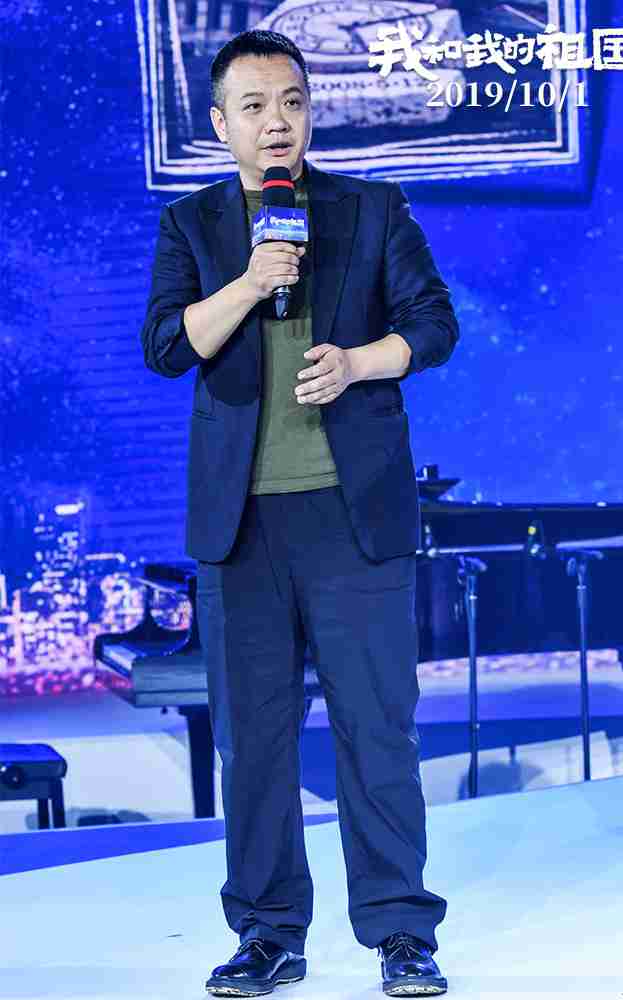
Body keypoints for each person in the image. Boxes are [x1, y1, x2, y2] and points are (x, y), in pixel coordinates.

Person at [140, 29, 459, 998]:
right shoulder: (192, 224)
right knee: (254, 741)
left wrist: (359, 362)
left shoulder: (371, 207)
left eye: (292, 102)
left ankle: (401, 930)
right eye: (254, 106)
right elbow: (166, 346)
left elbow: (434, 325)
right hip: (240, 526)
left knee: (377, 730)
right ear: (220, 123)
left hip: (352, 517)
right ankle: (268, 933)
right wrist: (250, 279)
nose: (276, 122)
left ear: (309, 111)